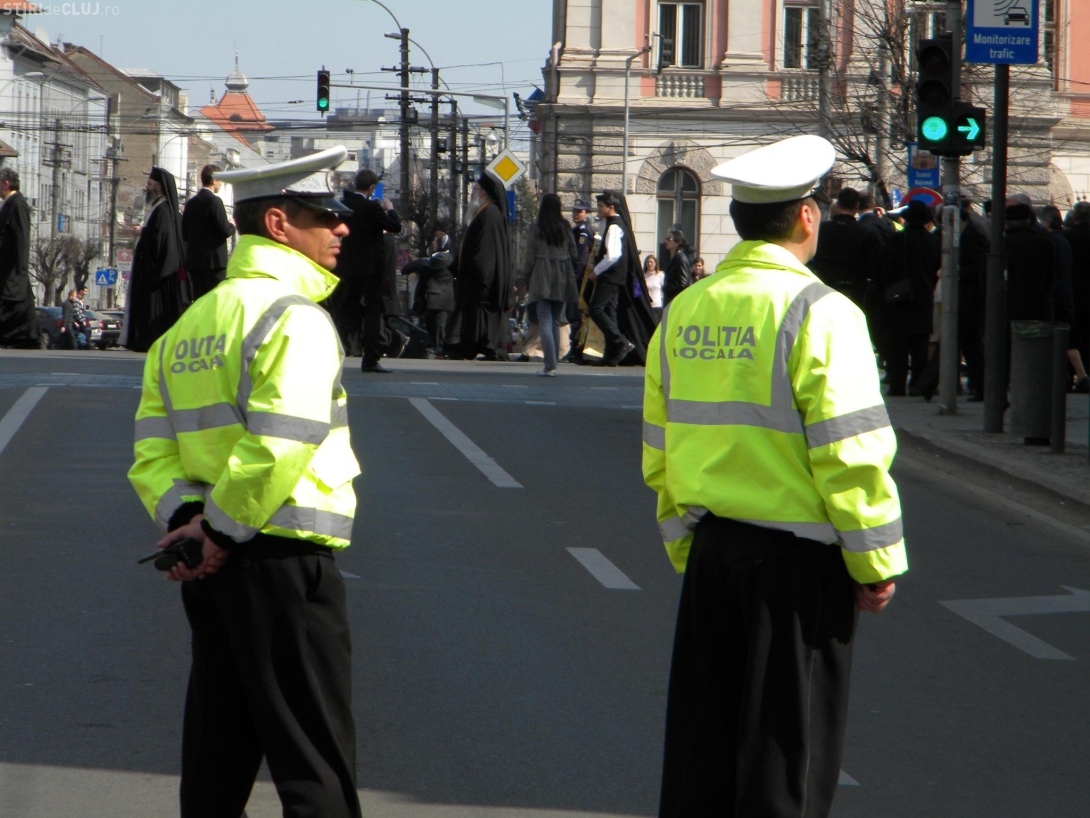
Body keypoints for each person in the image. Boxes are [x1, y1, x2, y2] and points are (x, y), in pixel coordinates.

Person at [644, 134, 905, 818]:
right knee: (785, 766)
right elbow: (851, 452)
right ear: (808, 217)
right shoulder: (820, 313)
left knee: (702, 763)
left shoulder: (685, 310)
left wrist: (687, 548)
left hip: (711, 559)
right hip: (797, 573)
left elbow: (659, 450)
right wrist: (874, 560)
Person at [128, 146, 363, 818]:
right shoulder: (294, 318)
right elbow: (281, 442)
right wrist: (222, 530)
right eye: (326, 216)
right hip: (284, 559)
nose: (342, 228)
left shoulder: (183, 331)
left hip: (210, 570)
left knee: (215, 762)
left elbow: (151, 450)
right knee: (314, 764)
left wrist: (190, 527)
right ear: (280, 224)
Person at [334, 169, 407, 372]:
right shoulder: (371, 208)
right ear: (372, 187)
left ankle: (338, 349)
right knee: (373, 312)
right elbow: (394, 227)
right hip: (370, 268)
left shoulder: (344, 206)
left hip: (348, 267)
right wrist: (390, 209)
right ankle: (370, 359)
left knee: (346, 310)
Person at [445, 171, 513, 360]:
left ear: (483, 193)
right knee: (474, 317)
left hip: (481, 279)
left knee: (479, 316)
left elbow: (485, 251)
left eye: (476, 189)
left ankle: (485, 348)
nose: (473, 193)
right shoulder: (485, 212)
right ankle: (469, 347)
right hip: (476, 278)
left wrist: (477, 272)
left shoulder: (489, 213)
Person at [122, 167, 189, 353]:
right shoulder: (159, 208)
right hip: (151, 271)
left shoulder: (163, 210)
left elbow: (161, 239)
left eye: (150, 184)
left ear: (159, 187)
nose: (147, 187)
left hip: (156, 273)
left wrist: (142, 231)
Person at [588, 191, 657, 366]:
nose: (598, 209)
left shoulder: (614, 226)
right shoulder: (614, 224)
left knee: (595, 309)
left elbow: (612, 256)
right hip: (616, 276)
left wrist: (596, 271)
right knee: (610, 314)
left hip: (610, 276)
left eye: (601, 206)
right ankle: (612, 354)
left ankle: (620, 341)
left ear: (611, 207)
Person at [880, 200, 940, 397]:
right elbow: (935, 268)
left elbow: (886, 267)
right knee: (920, 345)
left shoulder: (898, 239)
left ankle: (897, 385)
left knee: (898, 345)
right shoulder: (932, 241)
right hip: (923, 297)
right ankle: (917, 384)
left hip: (899, 297)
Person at [524, 192, 578, 376]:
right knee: (555, 321)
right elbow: (573, 252)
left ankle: (549, 365)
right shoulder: (565, 226)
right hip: (562, 274)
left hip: (541, 273)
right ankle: (553, 363)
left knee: (544, 321)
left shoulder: (537, 226)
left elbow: (530, 254)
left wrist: (525, 278)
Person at [1040, 204, 1090, 391]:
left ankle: (1072, 376)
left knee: (1068, 335)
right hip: (1078, 294)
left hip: (1069, 294)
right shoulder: (1063, 239)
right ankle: (1082, 375)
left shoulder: (1063, 239)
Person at [808, 186, 882, 309]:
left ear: (837, 205)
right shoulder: (866, 232)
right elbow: (875, 266)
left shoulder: (821, 229)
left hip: (823, 286)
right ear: (857, 206)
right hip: (855, 289)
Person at [182, 164, 236, 300]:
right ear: (213, 181)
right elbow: (225, 230)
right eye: (220, 181)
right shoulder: (215, 202)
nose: (221, 185)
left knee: (199, 302)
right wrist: (233, 224)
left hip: (195, 263)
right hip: (215, 263)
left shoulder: (190, 203)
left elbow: (184, 234)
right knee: (217, 300)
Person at [0, 167, 40, 348]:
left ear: (6, 184)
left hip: (13, 269)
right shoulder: (10, 203)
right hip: (8, 269)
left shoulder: (17, 204)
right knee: (18, 306)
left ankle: (26, 337)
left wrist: (21, 268)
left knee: (15, 304)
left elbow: (22, 236)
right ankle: (25, 336)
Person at [404, 231, 455, 352]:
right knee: (431, 325)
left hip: (440, 299)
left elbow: (421, 265)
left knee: (439, 326)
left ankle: (441, 349)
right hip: (433, 299)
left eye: (435, 241)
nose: (432, 243)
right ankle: (438, 348)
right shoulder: (437, 257)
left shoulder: (444, 258)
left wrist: (421, 262)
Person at [1063, 200, 1090, 372]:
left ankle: (1076, 372)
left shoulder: (1067, 237)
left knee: (1073, 335)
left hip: (1073, 293)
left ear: (1073, 217)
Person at [661, 228, 691, 306]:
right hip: (671, 300)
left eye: (669, 239)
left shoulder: (680, 258)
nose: (666, 241)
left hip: (676, 301)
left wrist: (666, 287)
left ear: (677, 243)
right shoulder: (674, 257)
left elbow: (683, 282)